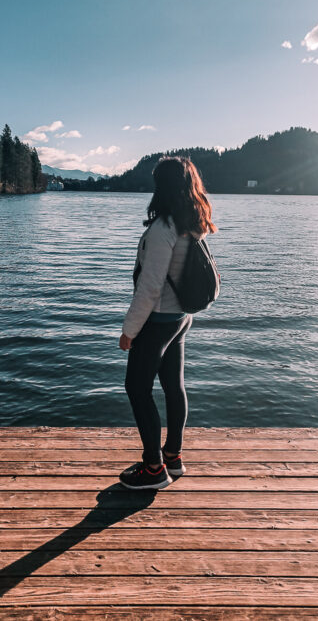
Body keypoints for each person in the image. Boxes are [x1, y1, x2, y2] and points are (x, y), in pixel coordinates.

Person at [118, 156, 217, 490]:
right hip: (180, 318)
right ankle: (172, 457)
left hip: (158, 320)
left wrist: (129, 330)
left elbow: (151, 286)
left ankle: (153, 469)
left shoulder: (164, 228)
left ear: (162, 185)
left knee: (136, 387)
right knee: (174, 387)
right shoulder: (192, 221)